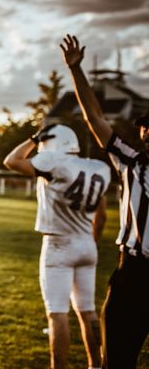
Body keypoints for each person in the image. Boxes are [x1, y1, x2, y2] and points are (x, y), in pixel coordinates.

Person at [60, 34, 149, 369]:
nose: (147, 132)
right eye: (144, 128)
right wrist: (77, 71)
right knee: (116, 359)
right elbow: (95, 119)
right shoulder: (131, 161)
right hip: (133, 273)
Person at [4, 124, 110, 369]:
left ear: (50, 143)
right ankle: (96, 365)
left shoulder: (53, 160)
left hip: (58, 244)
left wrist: (32, 139)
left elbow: (12, 160)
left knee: (57, 313)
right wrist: (90, 244)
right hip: (87, 244)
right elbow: (101, 216)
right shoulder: (98, 167)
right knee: (87, 311)